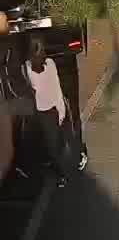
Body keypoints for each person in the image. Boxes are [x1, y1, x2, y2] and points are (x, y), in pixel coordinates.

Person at [25, 37, 73, 186]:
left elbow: (53, 87)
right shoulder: (39, 66)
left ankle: (62, 174)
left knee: (51, 145)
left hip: (46, 110)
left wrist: (60, 109)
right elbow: (53, 88)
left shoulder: (38, 67)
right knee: (50, 143)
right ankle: (57, 167)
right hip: (46, 110)